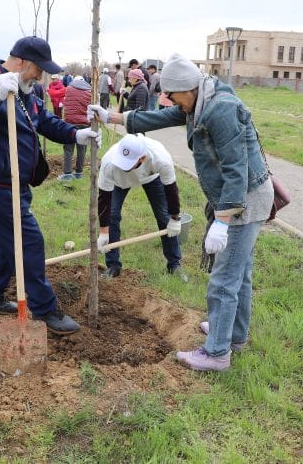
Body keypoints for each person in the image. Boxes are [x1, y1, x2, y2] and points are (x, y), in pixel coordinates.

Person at [88, 53, 273, 371]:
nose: (171, 101)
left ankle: (216, 353)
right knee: (239, 274)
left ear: (186, 88)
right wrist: (112, 118)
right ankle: (233, 334)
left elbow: (236, 169)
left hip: (244, 200)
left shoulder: (220, 110)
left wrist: (222, 221)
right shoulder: (200, 101)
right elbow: (158, 118)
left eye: (172, 95)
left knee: (224, 279)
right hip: (239, 198)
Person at [0, 36, 101, 335]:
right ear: (21, 62)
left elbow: (42, 119)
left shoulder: (25, 87)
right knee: (28, 241)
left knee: (4, 239)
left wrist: (74, 134)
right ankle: (45, 309)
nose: (40, 75)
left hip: (13, 180)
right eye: (38, 69)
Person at [96, 134, 186, 281]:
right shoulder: (109, 162)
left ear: (142, 158)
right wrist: (103, 232)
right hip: (119, 182)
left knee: (164, 216)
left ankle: (174, 264)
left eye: (128, 163)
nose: (123, 165)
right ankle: (113, 266)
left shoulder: (160, 158)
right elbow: (104, 198)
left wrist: (175, 218)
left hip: (151, 177)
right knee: (112, 215)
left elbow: (171, 190)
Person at [58, 75, 91, 181]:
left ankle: (67, 174)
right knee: (82, 149)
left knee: (68, 148)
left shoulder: (68, 89)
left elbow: (64, 101)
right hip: (85, 124)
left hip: (70, 123)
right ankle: (79, 173)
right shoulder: (89, 91)